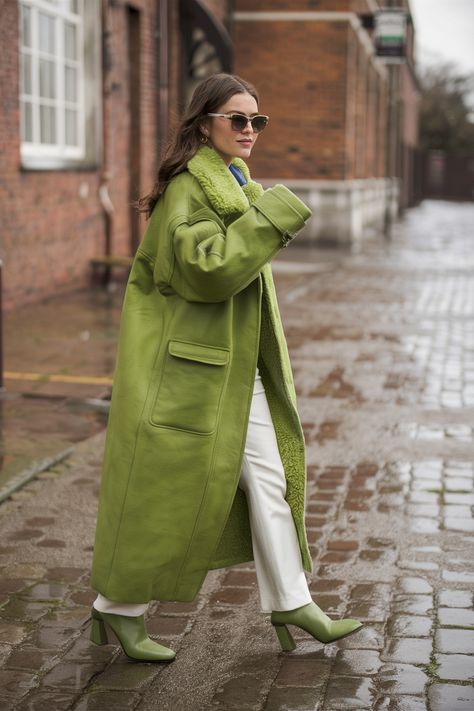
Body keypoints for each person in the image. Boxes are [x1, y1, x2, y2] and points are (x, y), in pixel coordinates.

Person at [89, 73, 362, 662]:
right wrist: (272, 217)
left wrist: (261, 210)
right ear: (203, 123)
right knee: (160, 495)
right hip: (190, 376)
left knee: (270, 481)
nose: (248, 130)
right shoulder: (192, 188)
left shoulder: (235, 184)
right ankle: (117, 608)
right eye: (236, 119)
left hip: (229, 371)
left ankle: (293, 600)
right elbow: (207, 271)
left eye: (256, 121)